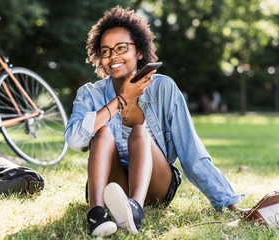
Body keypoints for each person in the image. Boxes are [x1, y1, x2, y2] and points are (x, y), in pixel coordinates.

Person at [64, 6, 244, 237]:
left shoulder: (164, 88)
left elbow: (191, 152)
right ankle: (96, 214)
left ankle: (135, 210)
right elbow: (75, 141)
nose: (113, 56)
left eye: (121, 48)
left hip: (155, 184)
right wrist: (121, 100)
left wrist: (227, 202)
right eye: (106, 51)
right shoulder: (90, 94)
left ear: (139, 51)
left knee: (140, 133)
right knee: (102, 133)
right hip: (113, 184)